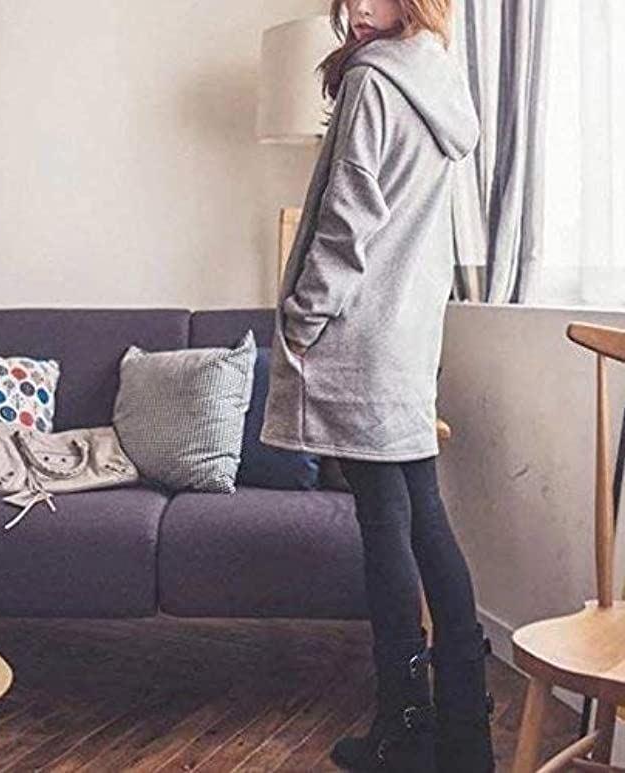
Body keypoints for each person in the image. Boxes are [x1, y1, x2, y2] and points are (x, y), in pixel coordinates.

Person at [258, 1, 495, 771]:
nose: (358, 8)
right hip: (406, 342)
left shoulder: (375, 79)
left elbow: (347, 220)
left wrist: (301, 319)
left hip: (357, 338)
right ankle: (466, 731)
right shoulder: (439, 79)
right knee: (425, 518)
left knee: (387, 527)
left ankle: (404, 728)